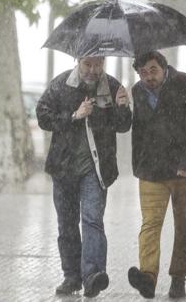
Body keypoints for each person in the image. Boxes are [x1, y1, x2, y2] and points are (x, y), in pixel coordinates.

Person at [36, 56, 131, 297]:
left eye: (98, 64)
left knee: (92, 220)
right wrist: (74, 115)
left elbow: (122, 126)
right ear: (78, 61)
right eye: (88, 64)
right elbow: (43, 117)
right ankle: (72, 277)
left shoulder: (111, 86)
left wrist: (122, 106)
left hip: (96, 169)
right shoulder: (61, 84)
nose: (93, 70)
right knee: (67, 224)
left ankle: (93, 276)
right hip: (64, 168)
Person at [127, 50, 186, 299]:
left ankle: (178, 278)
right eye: (143, 72)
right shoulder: (137, 91)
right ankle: (148, 277)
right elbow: (138, 129)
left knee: (184, 225)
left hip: (185, 171)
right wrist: (138, 164)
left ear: (163, 67)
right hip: (151, 170)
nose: (148, 76)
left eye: (153, 70)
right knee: (150, 223)